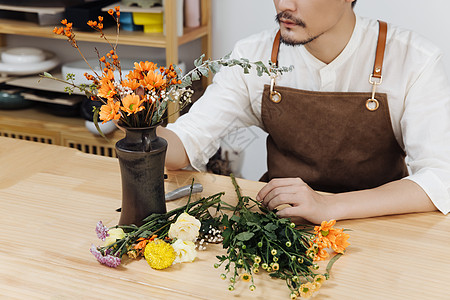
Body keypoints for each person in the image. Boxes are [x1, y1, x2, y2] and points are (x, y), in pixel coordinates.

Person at [158, 0, 450, 224]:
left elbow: (440, 178)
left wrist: (328, 205)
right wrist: (131, 116)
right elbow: (182, 148)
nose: (285, 5)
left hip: (381, 226)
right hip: (280, 224)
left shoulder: (413, 58)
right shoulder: (252, 56)